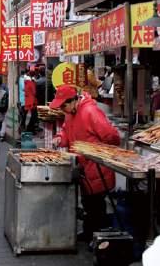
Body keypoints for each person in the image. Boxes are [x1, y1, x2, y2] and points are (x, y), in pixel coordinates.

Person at [51, 85, 120, 244]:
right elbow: (65, 132)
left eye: (63, 105)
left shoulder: (90, 111)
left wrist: (99, 151)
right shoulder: (70, 114)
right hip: (83, 167)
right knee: (88, 203)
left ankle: (99, 239)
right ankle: (90, 234)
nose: (62, 109)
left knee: (97, 206)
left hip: (96, 167)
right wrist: (59, 139)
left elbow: (111, 136)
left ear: (73, 101)